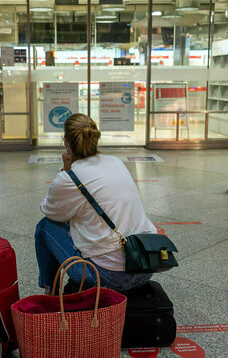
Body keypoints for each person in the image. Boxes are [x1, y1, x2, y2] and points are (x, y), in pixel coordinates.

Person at [35, 113, 156, 293]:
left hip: (107, 277)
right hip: (145, 265)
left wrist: (66, 170)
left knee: (45, 227)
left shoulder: (70, 178)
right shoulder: (115, 161)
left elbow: (49, 209)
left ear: (67, 143)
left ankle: (50, 293)